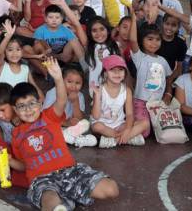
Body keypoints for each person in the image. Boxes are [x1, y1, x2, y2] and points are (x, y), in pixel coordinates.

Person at [10, 59, 119, 210]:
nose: (28, 110)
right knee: (49, 200)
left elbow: (61, 100)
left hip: (70, 171)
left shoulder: (49, 117)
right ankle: (62, 204)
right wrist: (9, 161)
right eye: (21, 106)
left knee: (111, 189)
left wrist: (58, 78)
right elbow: (24, 164)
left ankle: (69, 196)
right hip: (43, 180)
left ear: (40, 104)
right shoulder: (16, 134)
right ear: (15, 110)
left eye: (31, 104)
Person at [128, 9, 172, 139]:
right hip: (141, 102)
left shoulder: (163, 61)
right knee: (145, 132)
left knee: (159, 132)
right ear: (142, 40)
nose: (154, 43)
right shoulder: (139, 57)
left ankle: (131, 132)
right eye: (150, 39)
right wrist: (133, 18)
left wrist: (168, 94)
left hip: (157, 104)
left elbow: (168, 80)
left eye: (157, 39)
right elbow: (132, 40)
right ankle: (122, 136)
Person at [43, 65, 97, 148]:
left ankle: (66, 137)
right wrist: (66, 123)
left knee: (85, 123)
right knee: (49, 130)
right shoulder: (53, 93)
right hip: (54, 125)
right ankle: (76, 140)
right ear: (61, 81)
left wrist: (75, 102)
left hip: (69, 128)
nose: (73, 86)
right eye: (69, 82)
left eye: (77, 83)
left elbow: (79, 119)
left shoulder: (80, 95)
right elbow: (45, 118)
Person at [83, 16, 121, 96]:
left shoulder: (115, 46)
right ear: (89, 33)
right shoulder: (90, 47)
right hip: (95, 91)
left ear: (108, 30)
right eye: (94, 30)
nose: (99, 33)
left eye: (102, 29)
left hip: (114, 91)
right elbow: (76, 25)